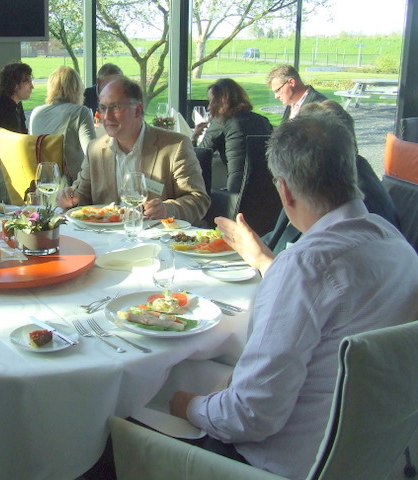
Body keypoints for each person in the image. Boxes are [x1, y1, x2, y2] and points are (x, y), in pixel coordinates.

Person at [168, 115, 418, 480]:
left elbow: (250, 416)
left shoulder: (304, 267)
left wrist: (187, 405)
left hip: (278, 467)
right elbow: (335, 302)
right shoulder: (397, 245)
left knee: (148, 398)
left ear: (284, 191)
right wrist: (263, 261)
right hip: (377, 457)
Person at [58, 77, 210, 225]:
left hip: (156, 236)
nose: (107, 116)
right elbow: (81, 195)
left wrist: (167, 209)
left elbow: (199, 199)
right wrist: (69, 198)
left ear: (137, 110)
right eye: (103, 108)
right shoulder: (95, 149)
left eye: (115, 107)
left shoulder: (174, 146)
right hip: (106, 236)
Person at [263, 100, 400, 254]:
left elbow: (319, 258)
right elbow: (279, 236)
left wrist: (263, 261)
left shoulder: (355, 201)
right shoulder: (310, 178)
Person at [191, 78, 273, 192]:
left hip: (237, 193)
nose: (209, 107)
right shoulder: (263, 120)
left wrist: (193, 137)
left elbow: (199, 156)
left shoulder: (221, 122)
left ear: (222, 101)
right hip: (268, 190)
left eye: (212, 101)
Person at [29, 66, 96, 183]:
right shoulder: (80, 112)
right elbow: (92, 153)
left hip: (42, 180)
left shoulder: (36, 113)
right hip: (72, 184)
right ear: (77, 89)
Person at [0, 62, 34, 165]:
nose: (32, 87)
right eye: (27, 82)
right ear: (15, 85)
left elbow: (22, 137)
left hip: (13, 160)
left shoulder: (17, 105)